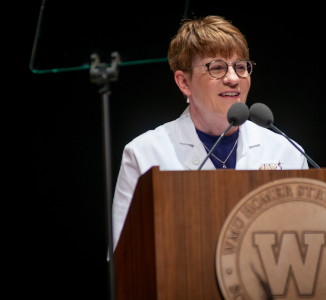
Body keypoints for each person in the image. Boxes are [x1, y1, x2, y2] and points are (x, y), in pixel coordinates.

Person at [112, 16, 308, 250]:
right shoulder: (144, 154)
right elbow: (124, 258)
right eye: (217, 68)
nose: (233, 79)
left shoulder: (287, 151)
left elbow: (305, 245)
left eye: (240, 67)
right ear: (184, 82)